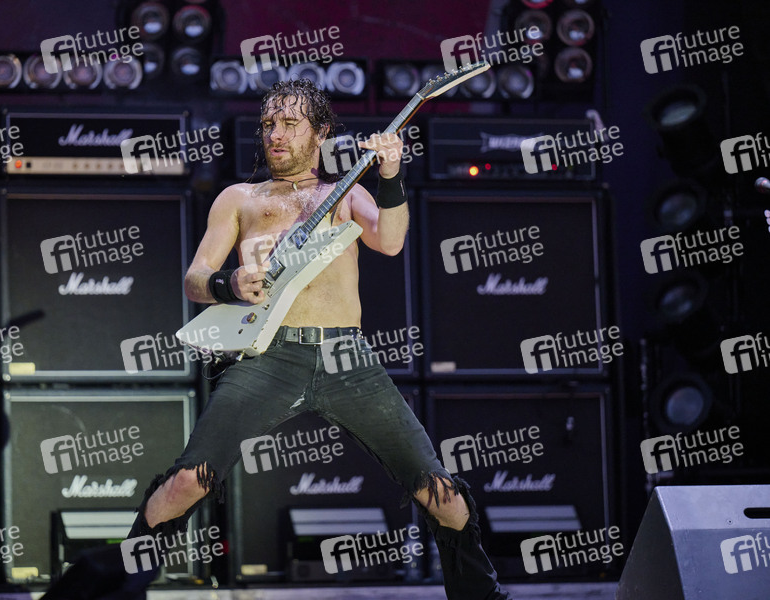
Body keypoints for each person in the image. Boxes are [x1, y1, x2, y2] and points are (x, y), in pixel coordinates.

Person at [129, 78, 511, 600]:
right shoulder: (238, 199)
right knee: (186, 481)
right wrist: (229, 283)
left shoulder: (346, 193)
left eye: (291, 124)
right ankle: (115, 587)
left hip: (345, 358)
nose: (275, 134)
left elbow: (390, 241)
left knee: (440, 492)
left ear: (321, 132)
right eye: (269, 124)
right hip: (268, 356)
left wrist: (391, 173)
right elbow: (195, 279)